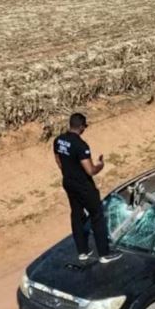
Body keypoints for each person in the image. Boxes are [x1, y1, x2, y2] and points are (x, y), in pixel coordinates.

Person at [53, 113, 121, 264]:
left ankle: (82, 252)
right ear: (82, 127)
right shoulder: (81, 145)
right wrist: (100, 166)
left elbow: (58, 159)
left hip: (68, 182)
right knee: (97, 215)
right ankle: (104, 253)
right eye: (85, 126)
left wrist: (68, 171)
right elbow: (90, 170)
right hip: (83, 185)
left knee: (76, 214)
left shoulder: (58, 140)